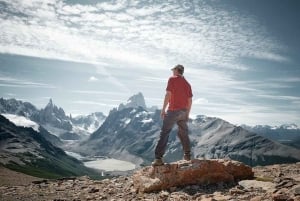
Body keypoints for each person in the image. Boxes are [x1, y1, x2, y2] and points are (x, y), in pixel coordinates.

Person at [152, 64, 193, 166]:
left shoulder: (172, 79)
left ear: (176, 70)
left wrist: (163, 109)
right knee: (183, 133)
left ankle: (158, 159)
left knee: (165, 133)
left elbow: (168, 94)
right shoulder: (187, 84)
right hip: (183, 111)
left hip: (173, 110)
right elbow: (190, 100)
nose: (172, 72)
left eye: (173, 70)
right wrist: (187, 113)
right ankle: (187, 155)